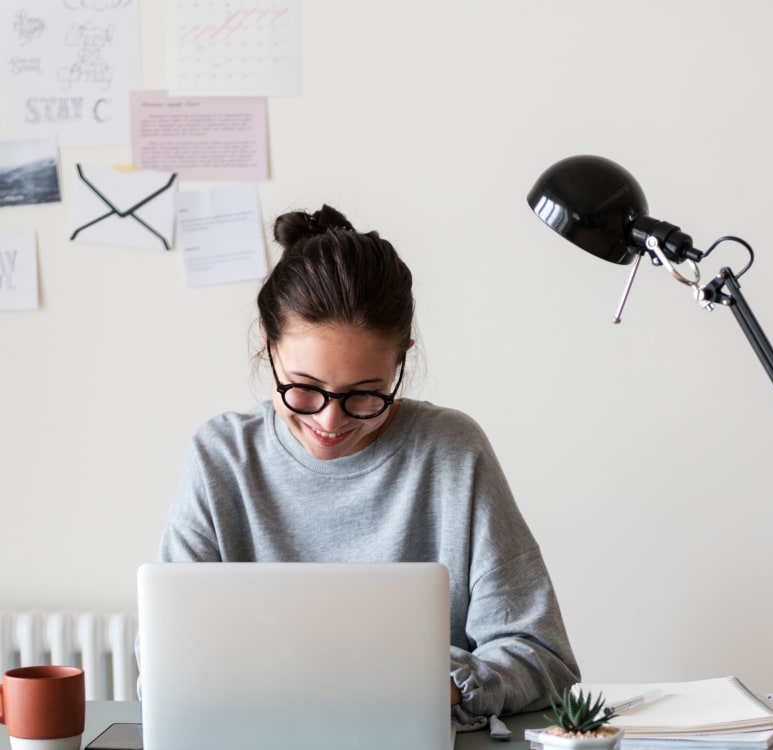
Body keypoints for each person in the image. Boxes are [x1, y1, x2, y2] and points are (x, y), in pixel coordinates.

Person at [158, 204, 581, 725]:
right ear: (268, 347)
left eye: (365, 395)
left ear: (400, 361)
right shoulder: (221, 457)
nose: (331, 421)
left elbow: (543, 656)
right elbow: (164, 659)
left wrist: (442, 686)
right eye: (304, 389)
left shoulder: (452, 453)